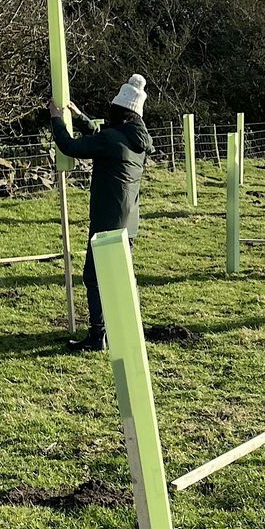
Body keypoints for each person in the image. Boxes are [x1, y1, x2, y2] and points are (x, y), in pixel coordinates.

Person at [48, 74, 155, 352]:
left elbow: (71, 146)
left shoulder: (112, 139)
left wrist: (57, 120)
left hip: (107, 219)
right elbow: (103, 137)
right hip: (129, 220)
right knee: (121, 276)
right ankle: (124, 327)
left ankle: (98, 336)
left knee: (94, 277)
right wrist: (80, 117)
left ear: (119, 111)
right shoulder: (136, 140)